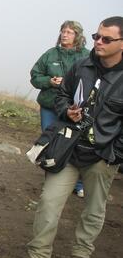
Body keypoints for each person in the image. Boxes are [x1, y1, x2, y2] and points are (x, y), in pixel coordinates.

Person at [14, 16, 123, 258]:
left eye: (106, 39)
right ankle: (38, 252)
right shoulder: (81, 65)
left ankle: (82, 252)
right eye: (97, 36)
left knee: (94, 209)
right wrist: (66, 111)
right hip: (69, 148)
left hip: (102, 156)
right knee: (48, 201)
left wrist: (115, 154)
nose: (99, 42)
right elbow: (62, 95)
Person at [30, 20, 89, 198]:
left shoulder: (87, 57)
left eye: (70, 32)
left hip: (74, 109)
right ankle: (51, 181)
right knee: (51, 143)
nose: (65, 34)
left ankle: (77, 184)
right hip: (49, 106)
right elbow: (35, 76)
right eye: (63, 31)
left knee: (75, 143)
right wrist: (49, 81)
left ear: (77, 36)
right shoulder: (50, 54)